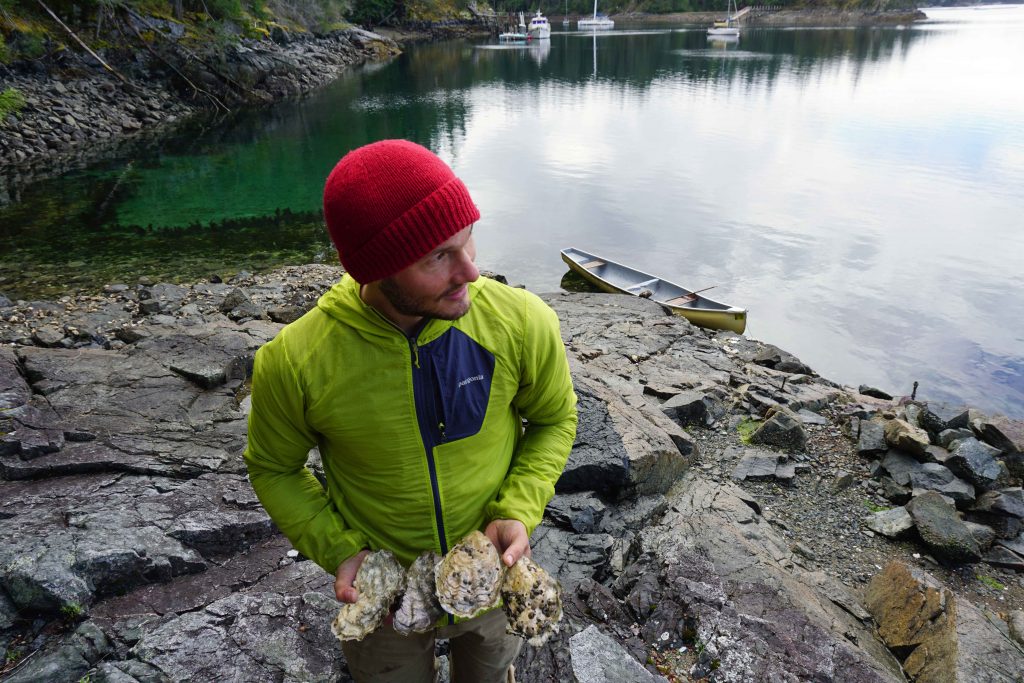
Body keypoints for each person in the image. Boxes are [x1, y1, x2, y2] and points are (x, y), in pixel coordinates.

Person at [243, 139, 578, 683]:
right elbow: (273, 467)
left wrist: (518, 507)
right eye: (437, 258)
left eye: (467, 241)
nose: (470, 272)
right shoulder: (295, 363)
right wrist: (341, 551)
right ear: (377, 270)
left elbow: (554, 419)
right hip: (385, 604)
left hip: (493, 581)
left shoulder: (520, 323)